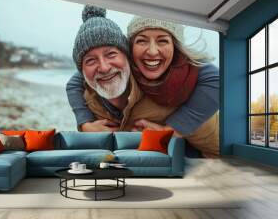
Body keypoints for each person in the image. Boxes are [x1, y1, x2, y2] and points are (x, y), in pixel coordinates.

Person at [67, 10, 220, 158]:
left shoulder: (189, 77)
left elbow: (217, 78)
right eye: (141, 40)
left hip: (212, 151)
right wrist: (85, 123)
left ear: (175, 47)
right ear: (130, 50)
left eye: (163, 40)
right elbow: (76, 81)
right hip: (174, 155)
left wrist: (169, 131)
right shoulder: (127, 68)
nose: (152, 51)